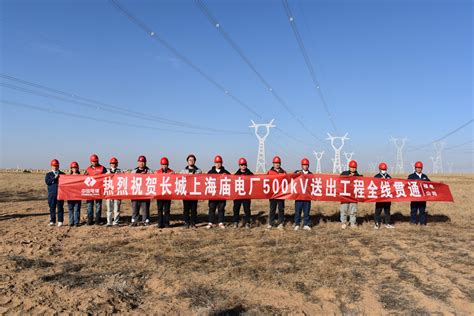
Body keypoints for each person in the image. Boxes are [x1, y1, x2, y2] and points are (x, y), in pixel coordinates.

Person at [206, 155, 231, 229]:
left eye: (219, 162)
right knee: (211, 208)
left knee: (221, 208)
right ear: (214, 163)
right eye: (217, 162)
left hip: (222, 194)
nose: (218, 164)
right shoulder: (210, 172)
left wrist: (227, 176)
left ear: (222, 163)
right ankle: (210, 222)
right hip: (212, 194)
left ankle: (221, 222)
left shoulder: (225, 172)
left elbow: (232, 180)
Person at [180, 154, 202, 228]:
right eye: (190, 160)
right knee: (186, 208)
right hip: (186, 193)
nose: (191, 161)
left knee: (194, 208)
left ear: (195, 161)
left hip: (194, 192)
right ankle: (186, 222)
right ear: (187, 161)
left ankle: (193, 222)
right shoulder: (183, 171)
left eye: (192, 160)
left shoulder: (199, 171)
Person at [84, 154, 107, 225]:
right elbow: (84, 178)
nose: (94, 162)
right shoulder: (88, 169)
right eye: (93, 161)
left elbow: (107, 177)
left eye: (95, 161)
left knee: (98, 206)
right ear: (90, 161)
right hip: (90, 191)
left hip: (99, 191)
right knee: (89, 206)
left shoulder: (102, 168)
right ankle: (90, 220)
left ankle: (97, 220)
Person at [131, 155, 153, 226]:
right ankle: (134, 221)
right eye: (140, 162)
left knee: (145, 209)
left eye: (143, 162)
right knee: (135, 209)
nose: (141, 163)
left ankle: (146, 221)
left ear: (145, 163)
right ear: (138, 162)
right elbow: (129, 180)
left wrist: (146, 175)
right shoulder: (134, 171)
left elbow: (153, 179)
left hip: (145, 194)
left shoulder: (149, 171)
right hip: (136, 193)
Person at [232, 158, 254, 229]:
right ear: (239, 166)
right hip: (237, 195)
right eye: (242, 165)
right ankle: (235, 222)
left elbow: (256, 181)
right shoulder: (236, 175)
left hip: (246, 195)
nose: (243, 166)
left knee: (247, 209)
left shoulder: (250, 174)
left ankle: (248, 222)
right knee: (236, 209)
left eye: (244, 165)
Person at [340, 160, 362, 229]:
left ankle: (352, 223)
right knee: (344, 209)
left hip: (353, 196)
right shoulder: (344, 173)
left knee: (353, 210)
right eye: (352, 167)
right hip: (345, 195)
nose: (353, 168)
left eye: (354, 167)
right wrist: (347, 177)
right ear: (349, 167)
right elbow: (339, 180)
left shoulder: (358, 176)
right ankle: (343, 222)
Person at [408, 161, 431, 226]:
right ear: (415, 168)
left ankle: (422, 223)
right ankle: (413, 222)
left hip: (423, 197)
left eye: (420, 168)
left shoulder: (424, 176)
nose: (418, 169)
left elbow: (430, 184)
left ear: (422, 168)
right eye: (417, 168)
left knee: (422, 211)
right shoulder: (411, 176)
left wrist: (439, 184)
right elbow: (407, 185)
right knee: (413, 210)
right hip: (414, 197)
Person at [267, 156, 286, 230]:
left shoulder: (283, 172)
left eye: (278, 163)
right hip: (273, 194)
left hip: (281, 194)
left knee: (281, 209)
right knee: (272, 208)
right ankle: (271, 223)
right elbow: (266, 182)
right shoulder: (269, 172)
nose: (277, 164)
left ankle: (280, 223)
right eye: (275, 163)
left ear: (280, 164)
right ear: (273, 164)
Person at [374, 162, 394, 229]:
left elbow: (392, 185)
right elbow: (373, 185)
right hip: (380, 197)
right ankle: (376, 223)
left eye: (385, 169)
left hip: (387, 197)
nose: (384, 170)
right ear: (379, 169)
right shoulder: (376, 176)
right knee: (378, 211)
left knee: (387, 211)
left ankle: (387, 223)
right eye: (382, 169)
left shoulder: (388, 176)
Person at [45, 159, 65, 227]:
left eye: (56, 166)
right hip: (52, 194)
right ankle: (52, 221)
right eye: (54, 166)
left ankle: (60, 221)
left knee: (60, 207)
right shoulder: (48, 174)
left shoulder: (62, 174)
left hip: (60, 194)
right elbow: (48, 182)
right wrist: (54, 178)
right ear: (51, 166)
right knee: (52, 208)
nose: (55, 167)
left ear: (58, 166)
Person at [294, 158, 312, 231]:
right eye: (304, 165)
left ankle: (306, 224)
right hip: (298, 196)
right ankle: (297, 224)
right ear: (302, 165)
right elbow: (292, 178)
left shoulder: (311, 174)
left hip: (307, 196)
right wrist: (296, 174)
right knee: (298, 211)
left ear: (308, 166)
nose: (305, 166)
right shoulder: (297, 173)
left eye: (306, 165)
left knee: (306, 211)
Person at [156, 157, 174, 228]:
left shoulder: (171, 172)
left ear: (168, 164)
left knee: (167, 210)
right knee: (160, 209)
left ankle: (166, 223)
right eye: (163, 164)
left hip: (167, 194)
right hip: (160, 194)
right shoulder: (157, 172)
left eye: (166, 164)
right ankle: (160, 223)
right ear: (161, 165)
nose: (164, 166)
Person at [106, 157, 122, 226]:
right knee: (109, 208)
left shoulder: (120, 172)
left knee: (117, 208)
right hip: (109, 193)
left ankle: (116, 222)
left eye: (115, 163)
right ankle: (109, 222)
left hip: (117, 193)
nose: (114, 165)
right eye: (112, 163)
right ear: (110, 164)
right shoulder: (106, 173)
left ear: (117, 164)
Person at [67, 161, 81, 227]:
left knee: (77, 209)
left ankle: (76, 222)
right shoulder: (68, 177)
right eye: (73, 168)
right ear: (71, 169)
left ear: (78, 168)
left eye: (75, 168)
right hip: (70, 196)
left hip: (77, 195)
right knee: (70, 209)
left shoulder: (80, 176)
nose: (74, 169)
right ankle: (71, 221)